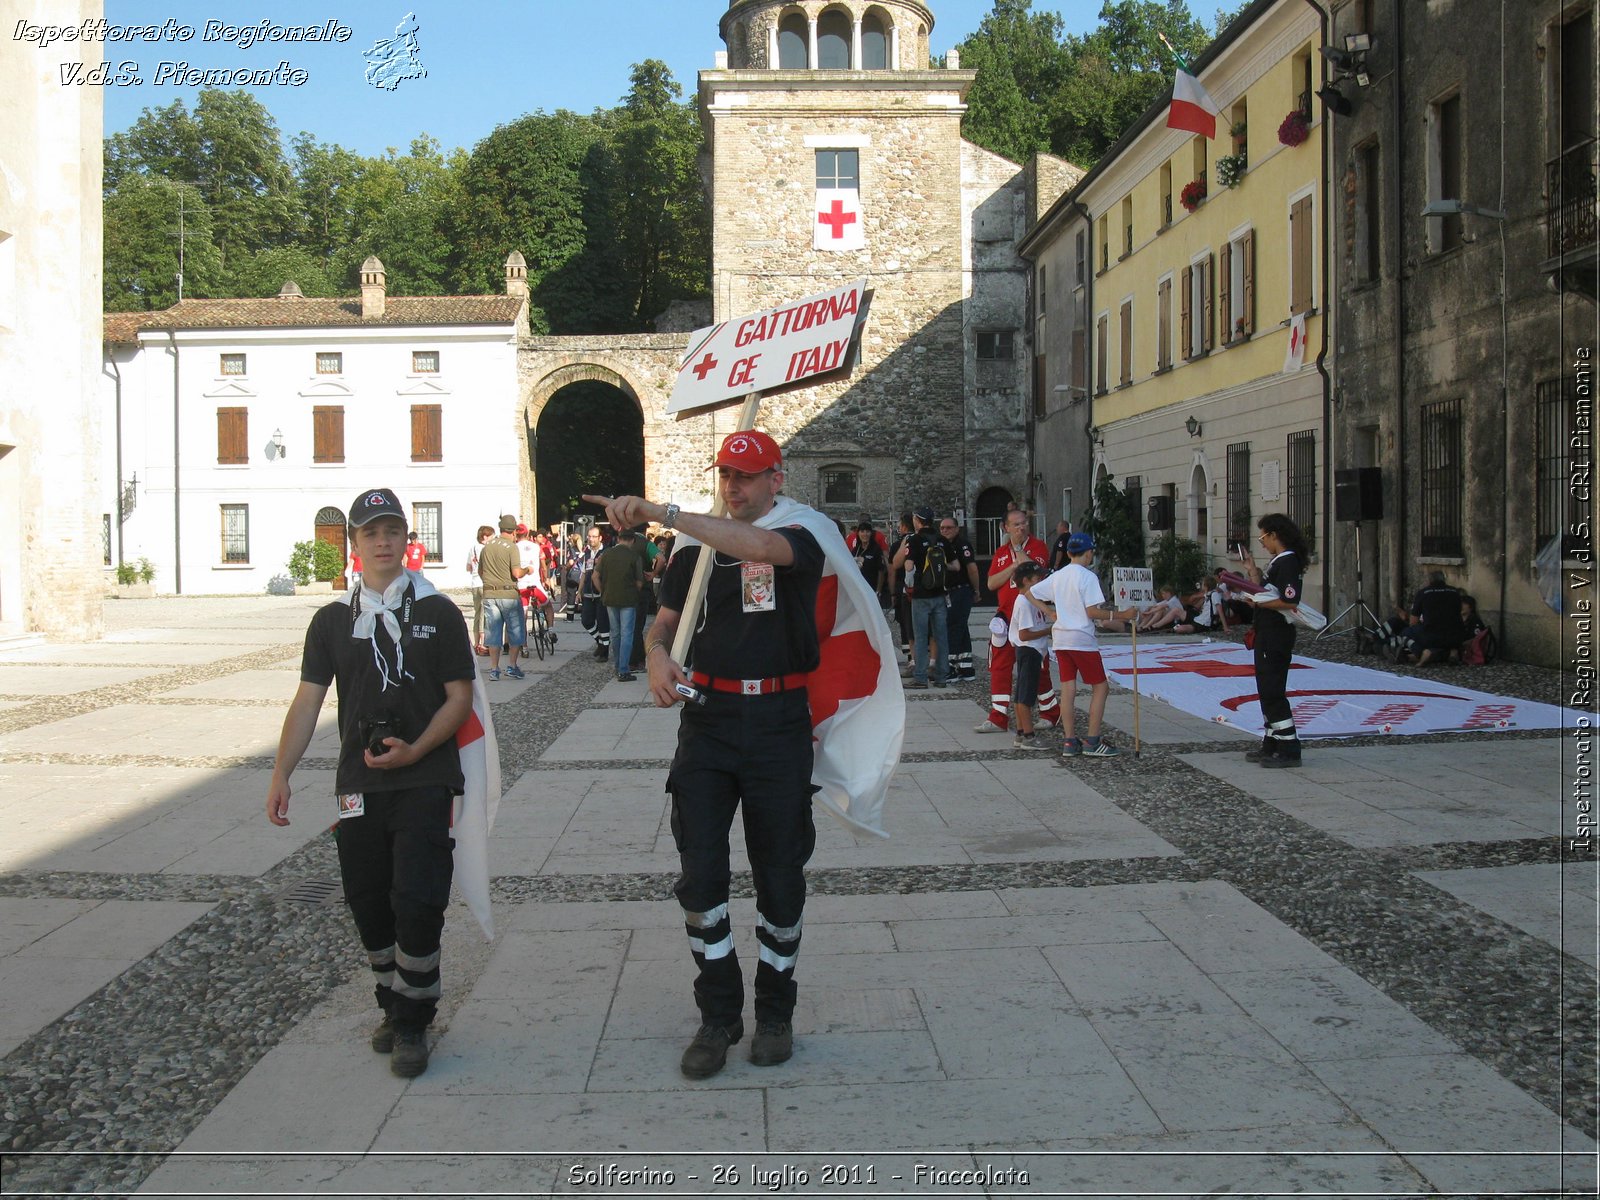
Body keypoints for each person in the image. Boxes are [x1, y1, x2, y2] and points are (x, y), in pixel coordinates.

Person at [585, 430, 826, 1080]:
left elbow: (760, 548)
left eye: (747, 475)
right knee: (700, 877)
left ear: (777, 478)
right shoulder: (694, 554)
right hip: (709, 722)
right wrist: (658, 657)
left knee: (780, 875)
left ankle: (776, 1011)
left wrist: (662, 514)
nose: (734, 486)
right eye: (726, 474)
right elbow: (667, 622)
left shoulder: (802, 535)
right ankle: (718, 1012)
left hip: (778, 722)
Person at [266, 487, 474, 1078]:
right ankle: (391, 1002)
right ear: (354, 545)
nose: (383, 542)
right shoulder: (331, 621)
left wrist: (417, 750)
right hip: (358, 785)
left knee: (417, 898)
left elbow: (459, 699)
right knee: (369, 903)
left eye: (392, 532)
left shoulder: (438, 613)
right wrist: (281, 773)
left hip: (426, 777)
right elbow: (308, 701)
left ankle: (415, 1021)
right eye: (370, 533)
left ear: (408, 541)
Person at [1026, 532, 1135, 757]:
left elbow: (1029, 592)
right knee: (1101, 687)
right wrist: (1122, 615)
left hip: (1061, 638)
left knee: (1068, 689)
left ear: (1067, 553)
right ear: (1089, 553)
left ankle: (1069, 741)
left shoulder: (1058, 575)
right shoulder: (1088, 577)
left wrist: (1049, 611)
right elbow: (1092, 611)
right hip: (1082, 639)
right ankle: (1092, 741)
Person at [977, 509, 1061, 733]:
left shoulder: (1038, 546)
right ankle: (998, 716)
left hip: (1031, 616)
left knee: (1037, 666)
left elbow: (1033, 571)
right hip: (1006, 618)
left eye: (1023, 523)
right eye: (1015, 525)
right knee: (999, 665)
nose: (1021, 528)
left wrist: (1018, 551)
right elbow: (992, 583)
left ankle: (1050, 711)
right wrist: (1012, 566)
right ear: (1006, 527)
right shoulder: (1001, 552)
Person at [1235, 513, 1308, 767]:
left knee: (1273, 689)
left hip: (1277, 632)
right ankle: (1272, 741)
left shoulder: (1288, 562)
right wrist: (1252, 572)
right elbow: (1264, 592)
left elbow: (1289, 600)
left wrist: (1258, 601)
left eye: (1263, 537)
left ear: (1274, 535)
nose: (1262, 542)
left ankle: (1289, 747)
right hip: (1266, 630)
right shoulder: (1276, 562)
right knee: (1266, 688)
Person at [890, 507, 949, 689]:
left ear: (917, 520)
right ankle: (941, 677)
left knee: (921, 636)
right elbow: (954, 565)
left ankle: (921, 678)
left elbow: (905, 565)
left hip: (920, 595)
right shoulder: (941, 539)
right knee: (941, 636)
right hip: (940, 593)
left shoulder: (915, 540)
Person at [1007, 562, 1054, 751]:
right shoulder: (1024, 603)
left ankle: (1020, 732)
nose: (1041, 581)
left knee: (1021, 693)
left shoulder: (1030, 600)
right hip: (1029, 650)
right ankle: (1028, 735)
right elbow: (1024, 634)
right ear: (1026, 581)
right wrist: (1049, 630)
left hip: (1030, 650)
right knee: (1026, 696)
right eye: (1037, 579)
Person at [477, 515, 528, 681]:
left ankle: (494, 669)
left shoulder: (487, 547)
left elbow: (480, 572)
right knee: (515, 630)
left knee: (493, 632)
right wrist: (528, 569)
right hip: (508, 594)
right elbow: (516, 573)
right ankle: (512, 666)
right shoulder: (512, 547)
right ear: (514, 531)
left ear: (500, 529)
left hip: (489, 594)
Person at [595, 526, 645, 682]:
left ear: (618, 538)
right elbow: (639, 582)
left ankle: (618, 666)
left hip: (609, 598)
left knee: (615, 634)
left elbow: (595, 576)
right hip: (628, 599)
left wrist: (603, 591)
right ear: (632, 540)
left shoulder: (606, 554)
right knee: (627, 634)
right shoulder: (634, 556)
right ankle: (624, 669)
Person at [938, 516, 981, 681]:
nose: (945, 531)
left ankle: (951, 667)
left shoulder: (962, 545)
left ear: (956, 529)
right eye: (942, 528)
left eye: (949, 527)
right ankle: (966, 666)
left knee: (953, 626)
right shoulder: (943, 545)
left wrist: (976, 589)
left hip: (961, 590)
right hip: (949, 590)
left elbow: (972, 569)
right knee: (961, 627)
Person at [1401, 571, 1466, 667]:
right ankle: (1452, 652)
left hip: (1432, 637)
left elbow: (1413, 621)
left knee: (1406, 632)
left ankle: (1421, 653)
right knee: (1446, 640)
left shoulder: (1423, 593)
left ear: (1429, 581)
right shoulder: (1455, 592)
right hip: (1455, 636)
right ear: (1444, 579)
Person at [578, 524, 611, 660]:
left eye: (594, 537)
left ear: (600, 538)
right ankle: (601, 643)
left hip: (601, 593)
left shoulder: (607, 552)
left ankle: (604, 652)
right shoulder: (586, 553)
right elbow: (584, 573)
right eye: (589, 537)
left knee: (603, 623)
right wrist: (579, 591)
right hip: (587, 593)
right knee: (586, 620)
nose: (591, 539)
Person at [465, 524, 494, 655]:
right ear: (485, 537)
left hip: (474, 583)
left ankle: (476, 642)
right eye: (492, 536)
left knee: (477, 613)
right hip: (484, 583)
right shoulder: (486, 549)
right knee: (485, 614)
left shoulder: (472, 548)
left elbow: (468, 567)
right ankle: (483, 644)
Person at [850, 518, 888, 605]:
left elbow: (881, 571)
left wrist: (878, 591)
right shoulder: (856, 550)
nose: (865, 534)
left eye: (867, 531)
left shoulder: (876, 549)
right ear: (858, 533)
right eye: (862, 531)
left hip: (872, 589)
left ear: (871, 533)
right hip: (859, 590)